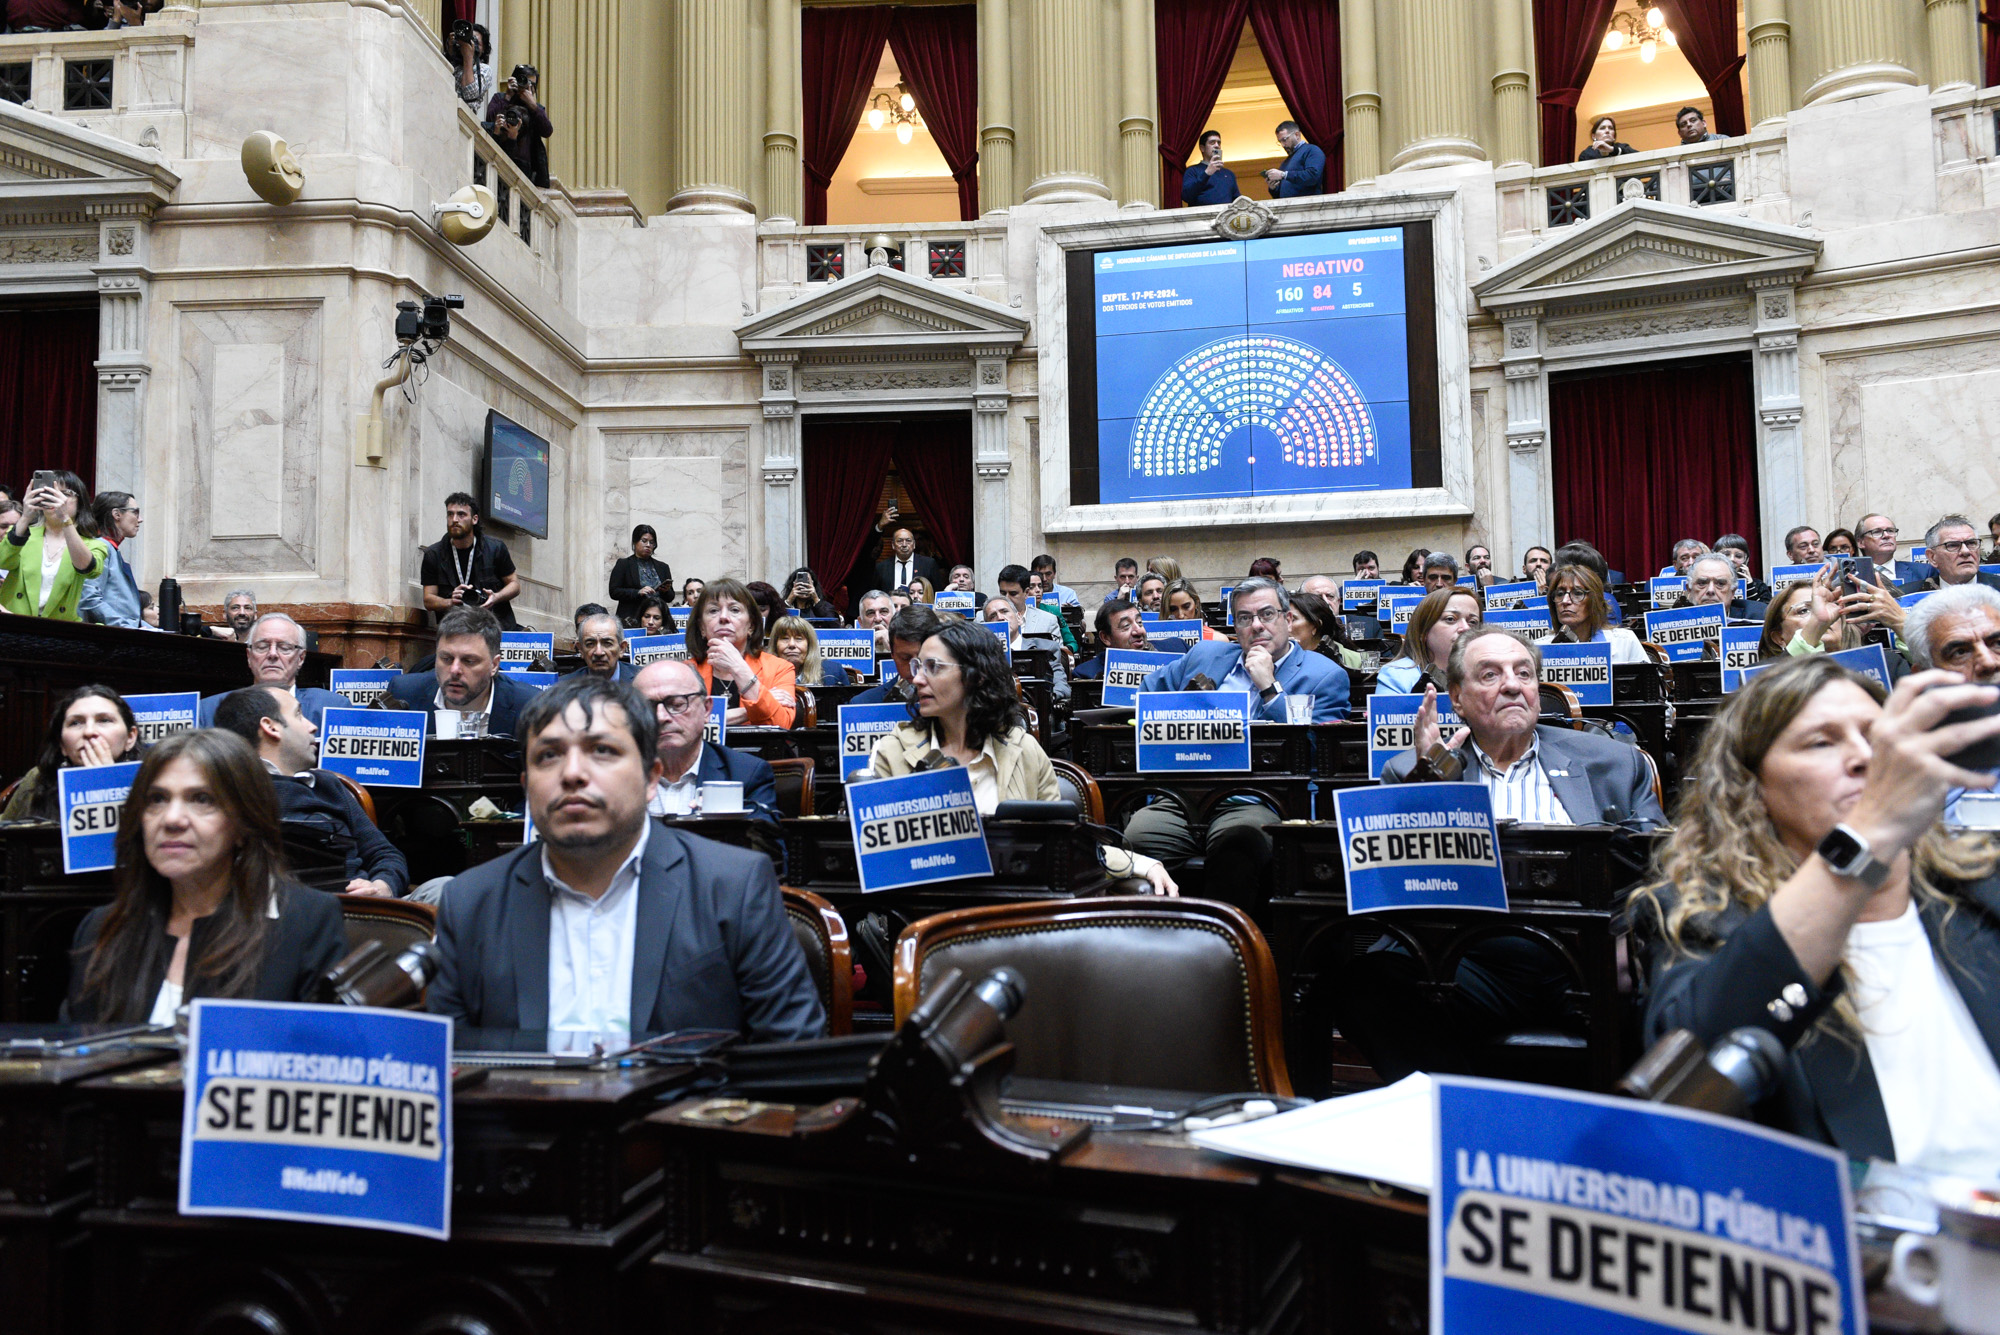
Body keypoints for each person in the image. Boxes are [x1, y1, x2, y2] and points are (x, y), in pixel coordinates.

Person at [1633, 656, 2000, 1165]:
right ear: (1752, 786)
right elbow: (1692, 1080)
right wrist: (1867, 835)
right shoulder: (1703, 917)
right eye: (1822, 742)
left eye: (1879, 737)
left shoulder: (1979, 887)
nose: (1866, 758)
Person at [427, 675, 824, 1039]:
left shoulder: (734, 887)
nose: (573, 774)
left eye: (601, 750)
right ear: (527, 786)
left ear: (651, 778)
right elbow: (451, 1073)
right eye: (549, 756)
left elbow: (787, 1061)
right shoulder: (470, 902)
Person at [868, 620, 1175, 895]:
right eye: (918, 666)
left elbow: (1062, 844)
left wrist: (1142, 864)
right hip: (927, 917)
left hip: (1016, 916)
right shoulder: (892, 752)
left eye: (933, 667)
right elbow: (878, 862)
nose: (917, 678)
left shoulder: (1024, 750)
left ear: (975, 676)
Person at [64, 730, 348, 1024]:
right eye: (157, 799)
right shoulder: (101, 929)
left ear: (243, 823)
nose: (172, 819)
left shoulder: (308, 923)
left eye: (201, 799)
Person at [1126, 578, 1349, 900]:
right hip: (1182, 794)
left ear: (1287, 619)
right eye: (1245, 618)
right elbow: (1145, 695)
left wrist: (1270, 689)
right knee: (1137, 839)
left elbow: (1319, 753)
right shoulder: (1206, 654)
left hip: (1256, 798)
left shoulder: (1323, 675)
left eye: (1267, 614)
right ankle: (1156, 943)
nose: (1256, 625)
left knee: (1239, 842)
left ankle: (1227, 943)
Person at [1387, 629, 1668, 826]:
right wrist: (1429, 789)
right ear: (1458, 699)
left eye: (1524, 673)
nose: (1512, 685)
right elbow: (1400, 886)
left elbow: (1655, 876)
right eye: (1489, 675)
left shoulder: (1616, 765)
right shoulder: (1406, 774)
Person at [212, 686, 407, 898]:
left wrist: (382, 887)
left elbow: (385, 854)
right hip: (277, 916)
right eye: (299, 714)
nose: (313, 727)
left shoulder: (329, 785)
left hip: (365, 909)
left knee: (441, 888)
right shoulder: (229, 793)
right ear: (271, 727)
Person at [632, 660, 781, 828]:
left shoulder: (746, 774)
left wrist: (728, 828)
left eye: (677, 704)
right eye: (646, 707)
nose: (660, 717)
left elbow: (769, 850)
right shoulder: (612, 774)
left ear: (707, 709)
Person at [386, 606, 540, 738]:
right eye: (446, 658)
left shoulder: (530, 707)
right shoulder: (404, 694)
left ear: (494, 665)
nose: (454, 670)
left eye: (469, 661)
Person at [1, 684, 141, 822]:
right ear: (62, 744)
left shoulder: (148, 780)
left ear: (130, 738)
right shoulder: (38, 777)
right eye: (75, 723)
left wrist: (107, 782)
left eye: (104, 720)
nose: (89, 731)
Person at [196, 614, 345, 728]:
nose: (272, 654)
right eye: (262, 647)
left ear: (300, 658)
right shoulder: (209, 710)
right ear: (249, 656)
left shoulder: (331, 708)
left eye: (284, 648)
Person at [0, 469, 106, 622]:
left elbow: (87, 569)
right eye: (50, 492)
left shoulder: (93, 544)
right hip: (14, 624)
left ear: (80, 502)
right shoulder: (22, 534)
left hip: (59, 629)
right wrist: (26, 516)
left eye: (65, 493)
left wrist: (64, 518)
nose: (56, 499)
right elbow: (3, 562)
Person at [689, 578, 797, 728]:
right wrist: (752, 710)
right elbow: (683, 723)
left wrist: (738, 667)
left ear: (751, 626)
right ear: (701, 627)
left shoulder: (780, 668)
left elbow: (781, 725)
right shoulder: (684, 672)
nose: (723, 617)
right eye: (713, 610)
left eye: (734, 610)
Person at [421, 492, 521, 630]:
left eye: (461, 514)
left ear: (474, 519)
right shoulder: (433, 554)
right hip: (456, 629)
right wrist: (451, 601)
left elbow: (514, 584)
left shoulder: (495, 548)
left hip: (495, 627)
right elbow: (428, 600)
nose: (454, 519)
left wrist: (495, 597)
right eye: (450, 514)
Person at [1378, 586, 1482, 694]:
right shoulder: (1397, 676)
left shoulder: (1491, 674)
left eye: (1473, 622)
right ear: (1423, 632)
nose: (1465, 628)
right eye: (1450, 619)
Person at [1535, 565, 1647, 663]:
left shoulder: (1625, 642)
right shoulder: (1538, 649)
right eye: (1559, 593)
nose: (1565, 601)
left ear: (1594, 601)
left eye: (1577, 593)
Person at [981, 595, 1069, 703]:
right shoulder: (981, 655)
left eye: (1004, 611)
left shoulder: (1046, 648)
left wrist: (1047, 700)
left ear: (1019, 618)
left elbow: (1062, 686)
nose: (1000, 618)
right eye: (992, 616)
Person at [79, 491, 147, 629]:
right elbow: (90, 599)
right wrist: (127, 628)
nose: (140, 519)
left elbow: (127, 613)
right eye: (135, 512)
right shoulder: (101, 547)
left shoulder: (110, 548)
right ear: (116, 514)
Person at [852, 605, 942, 706]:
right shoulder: (864, 704)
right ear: (892, 653)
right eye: (905, 658)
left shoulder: (957, 702)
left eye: (924, 659)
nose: (915, 669)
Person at [485, 63, 552, 188]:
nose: (526, 86)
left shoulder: (536, 109)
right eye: (524, 80)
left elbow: (547, 131)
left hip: (525, 165)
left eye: (532, 84)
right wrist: (508, 97)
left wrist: (533, 105)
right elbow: (489, 119)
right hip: (500, 154)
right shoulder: (500, 98)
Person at [1903, 514, 2000, 593]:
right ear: (1932, 557)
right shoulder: (1907, 595)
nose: (1965, 551)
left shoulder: (1997, 588)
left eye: (1971, 543)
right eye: (1953, 545)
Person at [608, 524, 672, 623]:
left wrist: (665, 590)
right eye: (644, 541)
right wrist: (637, 592)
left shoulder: (663, 567)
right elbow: (614, 591)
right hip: (631, 618)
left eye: (652, 542)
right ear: (635, 542)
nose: (648, 545)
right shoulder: (624, 564)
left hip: (656, 620)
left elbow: (670, 597)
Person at [1073, 598, 1149, 680]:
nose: (1139, 631)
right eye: (1126, 625)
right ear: (1105, 637)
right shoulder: (1086, 674)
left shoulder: (1161, 664)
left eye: (1139, 622)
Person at [1289, 591, 1367, 671]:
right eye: (1283, 619)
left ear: (1316, 625)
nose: (1285, 625)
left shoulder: (1360, 661)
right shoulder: (1280, 657)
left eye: (1292, 619)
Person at [1677, 553, 1765, 622]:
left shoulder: (1758, 615)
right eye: (1702, 583)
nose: (1710, 590)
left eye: (1720, 584)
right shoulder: (1675, 621)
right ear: (1689, 589)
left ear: (1733, 591)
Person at [769, 613, 852, 686]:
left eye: (799, 639)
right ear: (775, 645)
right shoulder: (760, 673)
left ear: (809, 644)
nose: (791, 644)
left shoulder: (833, 673)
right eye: (785, 638)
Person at [1854, 512, 1928, 586]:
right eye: (1876, 532)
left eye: (1890, 531)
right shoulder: (1852, 576)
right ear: (1860, 542)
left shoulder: (1923, 572)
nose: (1886, 535)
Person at [569, 610, 640, 686]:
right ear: (581, 650)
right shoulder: (565, 686)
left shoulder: (643, 680)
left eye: (607, 643)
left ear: (622, 648)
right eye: (590, 644)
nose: (599, 652)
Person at [994, 564, 1064, 640]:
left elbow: (1056, 651)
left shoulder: (1048, 621)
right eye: (1003, 593)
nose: (1006, 598)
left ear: (1026, 592)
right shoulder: (984, 618)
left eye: (1013, 594)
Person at [1262, 120, 1324, 197]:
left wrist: (1283, 174)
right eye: (1279, 141)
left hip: (1308, 205)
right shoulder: (1285, 162)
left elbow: (1313, 176)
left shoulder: (1312, 150)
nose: (1282, 145)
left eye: (1284, 140)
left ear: (1297, 135)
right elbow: (1281, 195)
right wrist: (1273, 188)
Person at [872, 525, 943, 594]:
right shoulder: (881, 567)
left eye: (908, 541)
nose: (904, 545)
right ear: (893, 545)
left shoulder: (928, 564)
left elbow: (937, 592)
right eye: (900, 541)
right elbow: (876, 593)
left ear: (914, 544)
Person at [445, 18, 493, 111]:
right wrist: (450, 50)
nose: (471, 44)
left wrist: (468, 57)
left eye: (475, 42)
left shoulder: (485, 69)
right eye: (469, 40)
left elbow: (469, 94)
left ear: (483, 49)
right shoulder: (454, 64)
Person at [1182, 128, 1238, 207]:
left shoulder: (1229, 174)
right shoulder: (1192, 171)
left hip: (1226, 217)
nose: (1217, 145)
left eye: (1219, 143)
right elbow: (1187, 196)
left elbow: (1237, 200)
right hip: (1201, 217)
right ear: (1202, 148)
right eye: (1212, 143)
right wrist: (1207, 173)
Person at [1712, 533, 1772, 603]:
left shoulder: (1759, 586)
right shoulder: (1707, 584)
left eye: (1738, 556)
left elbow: (1764, 612)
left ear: (1746, 560)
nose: (1732, 559)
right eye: (1726, 554)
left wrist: (1750, 588)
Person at [854, 588, 898, 656]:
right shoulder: (850, 648)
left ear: (895, 617)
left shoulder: (908, 643)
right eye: (871, 613)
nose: (878, 619)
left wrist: (892, 647)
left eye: (884, 611)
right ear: (861, 622)